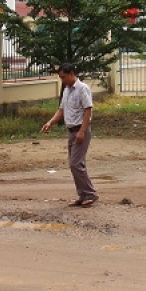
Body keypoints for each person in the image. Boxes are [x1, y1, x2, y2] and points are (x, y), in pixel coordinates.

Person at [41, 63, 98, 207]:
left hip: (80, 130)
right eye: (60, 78)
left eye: (64, 77)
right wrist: (50, 122)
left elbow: (88, 110)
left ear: (72, 73)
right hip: (72, 131)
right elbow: (61, 110)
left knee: (76, 164)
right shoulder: (66, 90)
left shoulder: (82, 88)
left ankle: (90, 194)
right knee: (76, 164)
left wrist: (82, 132)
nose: (62, 80)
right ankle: (83, 195)